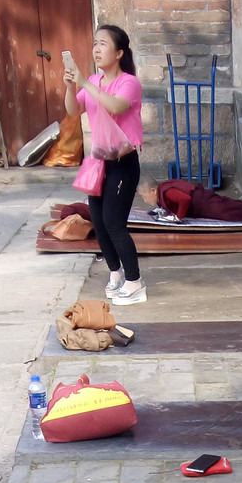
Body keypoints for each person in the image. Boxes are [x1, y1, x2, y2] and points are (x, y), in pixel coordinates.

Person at [63, 25, 146, 304]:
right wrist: (70, 86)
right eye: (94, 43)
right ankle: (116, 272)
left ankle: (135, 281)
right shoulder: (93, 81)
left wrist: (86, 82)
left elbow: (116, 106)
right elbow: (73, 110)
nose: (96, 49)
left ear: (119, 52)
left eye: (103, 44)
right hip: (97, 161)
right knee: (98, 222)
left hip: (123, 163)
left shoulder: (128, 82)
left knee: (114, 222)